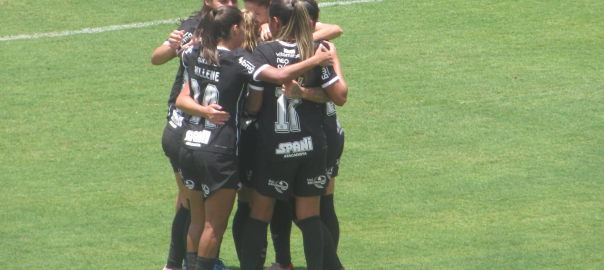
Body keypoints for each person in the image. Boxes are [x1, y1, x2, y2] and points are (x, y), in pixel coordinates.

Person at [176, 5, 334, 270]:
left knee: (197, 220)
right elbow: (280, 76)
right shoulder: (239, 61)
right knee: (214, 227)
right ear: (235, 29)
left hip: (189, 144)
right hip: (219, 150)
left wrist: (203, 109)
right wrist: (315, 61)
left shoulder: (192, 52)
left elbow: (182, 98)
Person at [239, 1, 347, 269]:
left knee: (260, 215)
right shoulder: (316, 51)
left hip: (274, 148)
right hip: (311, 146)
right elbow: (337, 96)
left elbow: (253, 104)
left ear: (274, 22)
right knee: (310, 216)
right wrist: (306, 92)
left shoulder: (263, 52)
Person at [150, 1, 238, 270]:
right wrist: (172, 43)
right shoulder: (192, 28)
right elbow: (157, 56)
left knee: (192, 201)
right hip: (187, 127)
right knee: (191, 203)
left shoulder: (234, 23)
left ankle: (188, 263)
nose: (231, 3)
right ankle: (179, 264)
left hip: (193, 128)